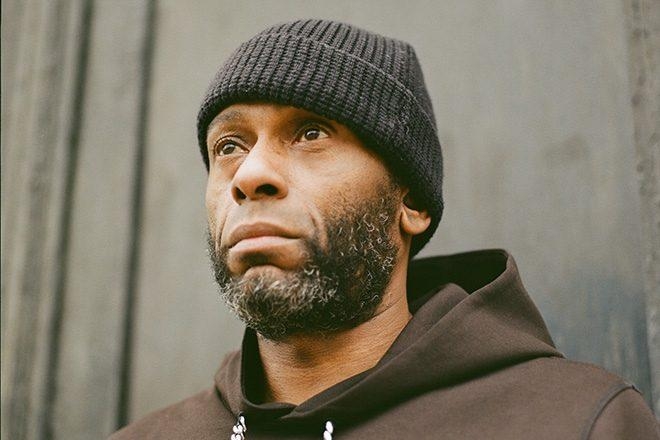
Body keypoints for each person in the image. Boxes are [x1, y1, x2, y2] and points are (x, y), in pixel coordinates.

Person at [110, 19, 659, 439]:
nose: (249, 175)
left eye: (310, 133)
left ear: (412, 201)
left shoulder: (576, 422)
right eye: (229, 146)